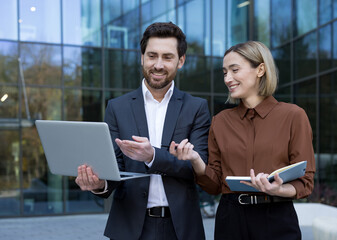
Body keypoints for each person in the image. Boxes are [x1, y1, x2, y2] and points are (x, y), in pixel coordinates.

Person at [75, 22, 211, 240]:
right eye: (152, 56)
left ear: (181, 61)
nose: (158, 65)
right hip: (129, 228)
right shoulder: (117, 107)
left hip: (182, 229)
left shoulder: (197, 108)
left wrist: (153, 156)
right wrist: (98, 184)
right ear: (142, 57)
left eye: (167, 57)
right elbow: (114, 169)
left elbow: (200, 170)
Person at [170, 41, 316, 240]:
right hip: (231, 219)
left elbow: (305, 183)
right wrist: (195, 160)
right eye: (224, 72)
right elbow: (213, 186)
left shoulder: (293, 116)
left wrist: (279, 189)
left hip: (276, 218)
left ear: (260, 70)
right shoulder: (220, 122)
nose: (228, 78)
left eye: (234, 70)